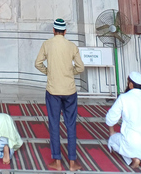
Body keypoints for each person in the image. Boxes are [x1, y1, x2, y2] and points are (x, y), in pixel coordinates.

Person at [34, 18, 85, 171]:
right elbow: (80, 67)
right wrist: (70, 73)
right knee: (70, 125)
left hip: (53, 90)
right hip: (70, 90)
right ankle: (71, 162)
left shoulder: (47, 44)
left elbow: (37, 63)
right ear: (65, 31)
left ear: (53, 30)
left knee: (54, 124)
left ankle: (57, 162)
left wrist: (49, 72)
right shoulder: (71, 45)